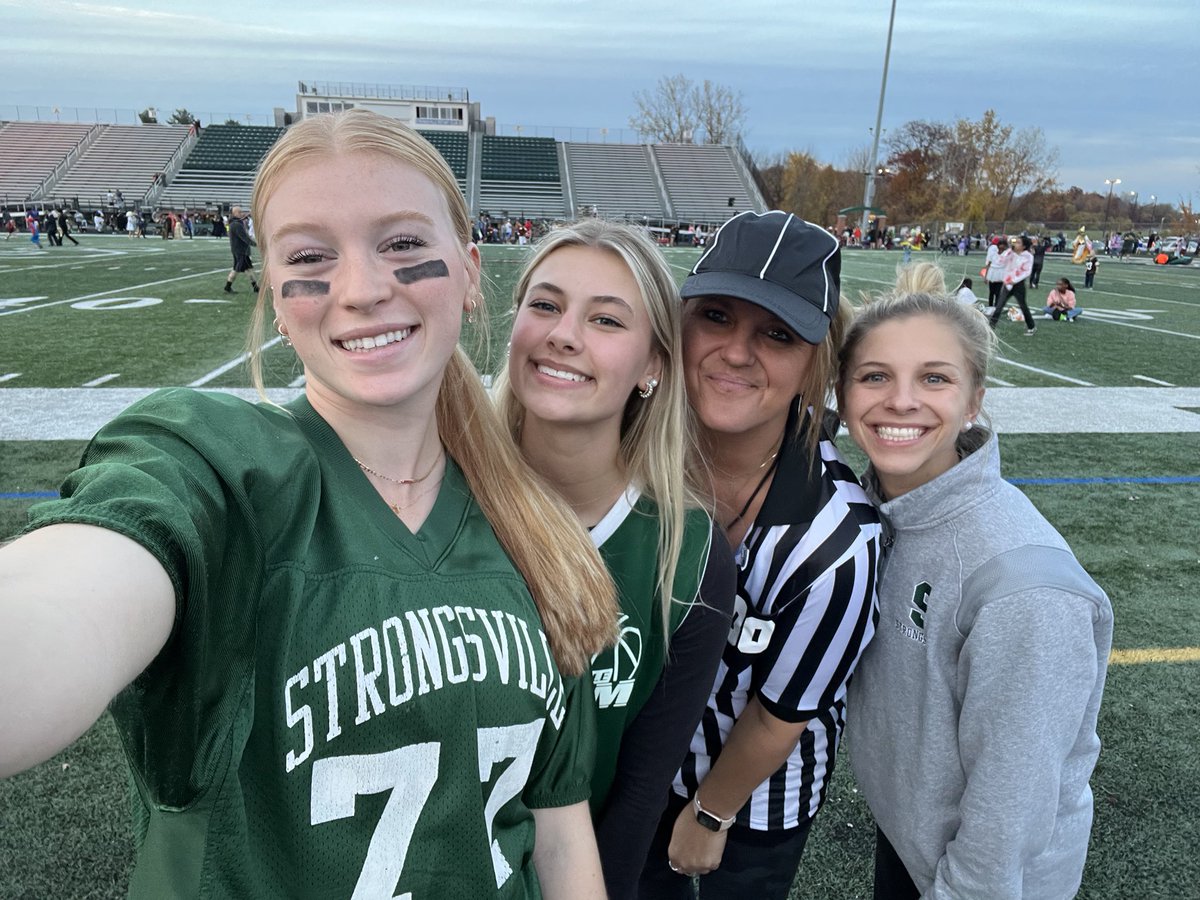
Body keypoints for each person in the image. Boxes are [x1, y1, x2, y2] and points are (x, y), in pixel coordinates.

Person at [0, 109, 619, 899]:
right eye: (310, 256)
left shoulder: (535, 528)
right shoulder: (217, 468)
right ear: (275, 295)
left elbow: (558, 832)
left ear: (470, 273)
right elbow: (61, 602)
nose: (361, 290)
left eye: (403, 244)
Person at [837, 262, 1112, 900]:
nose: (901, 400)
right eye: (875, 376)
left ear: (974, 401)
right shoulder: (881, 509)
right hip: (912, 836)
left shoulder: (1024, 587)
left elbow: (1007, 812)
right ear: (844, 397)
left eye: (934, 378)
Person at [640, 211, 881, 900]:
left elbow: (781, 714)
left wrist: (712, 814)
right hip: (638, 773)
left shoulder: (835, 540)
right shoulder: (631, 452)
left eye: (778, 334)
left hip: (750, 806)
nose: (738, 352)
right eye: (716, 316)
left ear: (816, 363)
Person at [496, 219, 736, 898]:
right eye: (545, 305)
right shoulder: (436, 492)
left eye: (605, 319)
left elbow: (637, 792)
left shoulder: (687, 554)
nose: (564, 334)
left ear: (653, 366)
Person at [989, 235, 1037, 336]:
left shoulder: (1028, 256)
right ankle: (990, 327)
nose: (1016, 244)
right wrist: (1009, 251)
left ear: (1024, 246)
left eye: (1019, 243)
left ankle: (1031, 326)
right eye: (1016, 242)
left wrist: (1014, 280)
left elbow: (1026, 272)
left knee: (1023, 306)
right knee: (999, 305)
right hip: (1007, 284)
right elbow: (1000, 261)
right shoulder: (1011, 253)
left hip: (1018, 285)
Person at [224, 205, 260, 294]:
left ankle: (255, 287)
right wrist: (256, 244)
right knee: (237, 269)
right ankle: (228, 286)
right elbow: (245, 238)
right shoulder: (236, 224)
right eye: (239, 212)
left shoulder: (235, 223)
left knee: (248, 269)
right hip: (241, 251)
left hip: (239, 250)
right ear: (235, 213)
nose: (242, 213)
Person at [982, 237, 1007, 308]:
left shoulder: (1006, 254)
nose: (1002, 247)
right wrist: (985, 277)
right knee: (991, 292)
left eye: (1003, 246)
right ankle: (990, 306)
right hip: (992, 274)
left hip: (1000, 274)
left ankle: (996, 307)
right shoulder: (993, 253)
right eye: (1000, 245)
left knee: (998, 293)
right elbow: (988, 264)